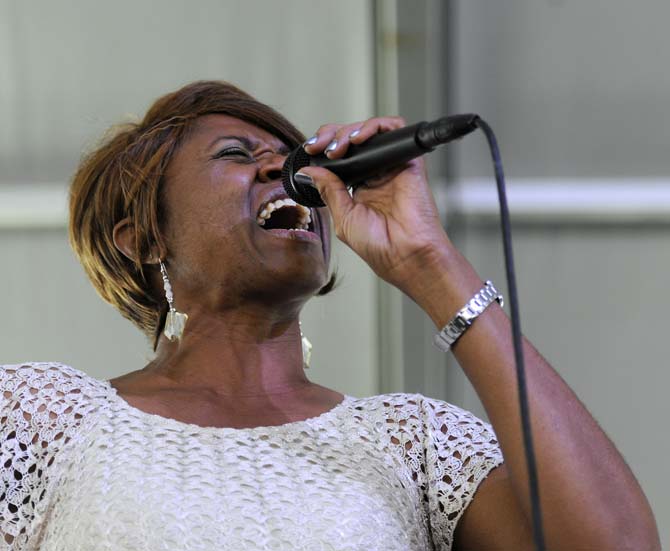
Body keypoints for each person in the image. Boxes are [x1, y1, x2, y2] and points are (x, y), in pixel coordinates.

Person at [0, 80, 660, 550]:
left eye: (296, 160)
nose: (282, 171)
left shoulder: (413, 443)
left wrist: (428, 262)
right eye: (236, 155)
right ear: (141, 238)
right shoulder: (46, 418)